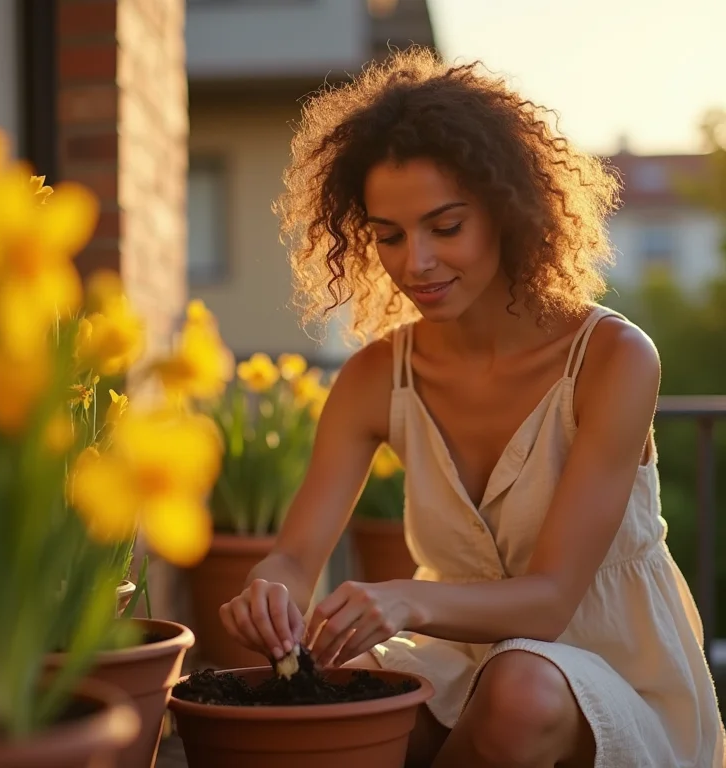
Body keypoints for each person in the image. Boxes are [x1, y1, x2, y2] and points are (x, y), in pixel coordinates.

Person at [218, 47, 725, 768]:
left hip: (613, 676)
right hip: (457, 662)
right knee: (349, 703)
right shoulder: (374, 378)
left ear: (507, 212)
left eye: (444, 227)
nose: (415, 262)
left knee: (518, 689)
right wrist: (269, 590)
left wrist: (403, 599)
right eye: (388, 235)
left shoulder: (613, 358)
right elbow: (297, 552)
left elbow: (549, 602)